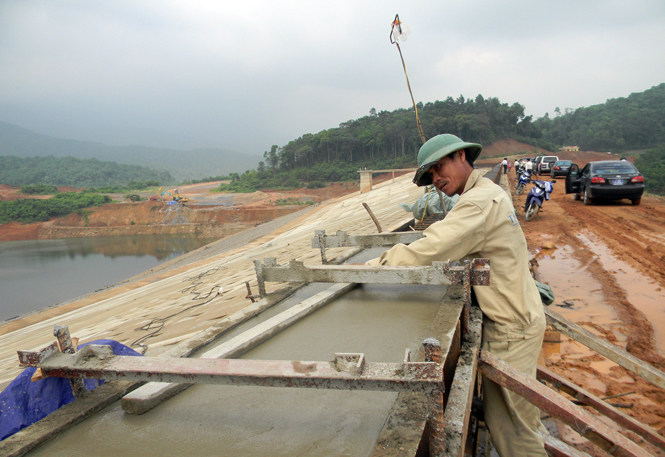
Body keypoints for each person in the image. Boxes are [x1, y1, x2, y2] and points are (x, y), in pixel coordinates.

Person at [365, 134, 547, 457]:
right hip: (520, 317)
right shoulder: (484, 194)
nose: (436, 178)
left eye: (440, 167)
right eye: (430, 174)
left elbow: (433, 247)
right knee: (519, 417)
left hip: (511, 328)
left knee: (512, 431)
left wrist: (372, 267)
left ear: (462, 156)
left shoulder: (478, 203)